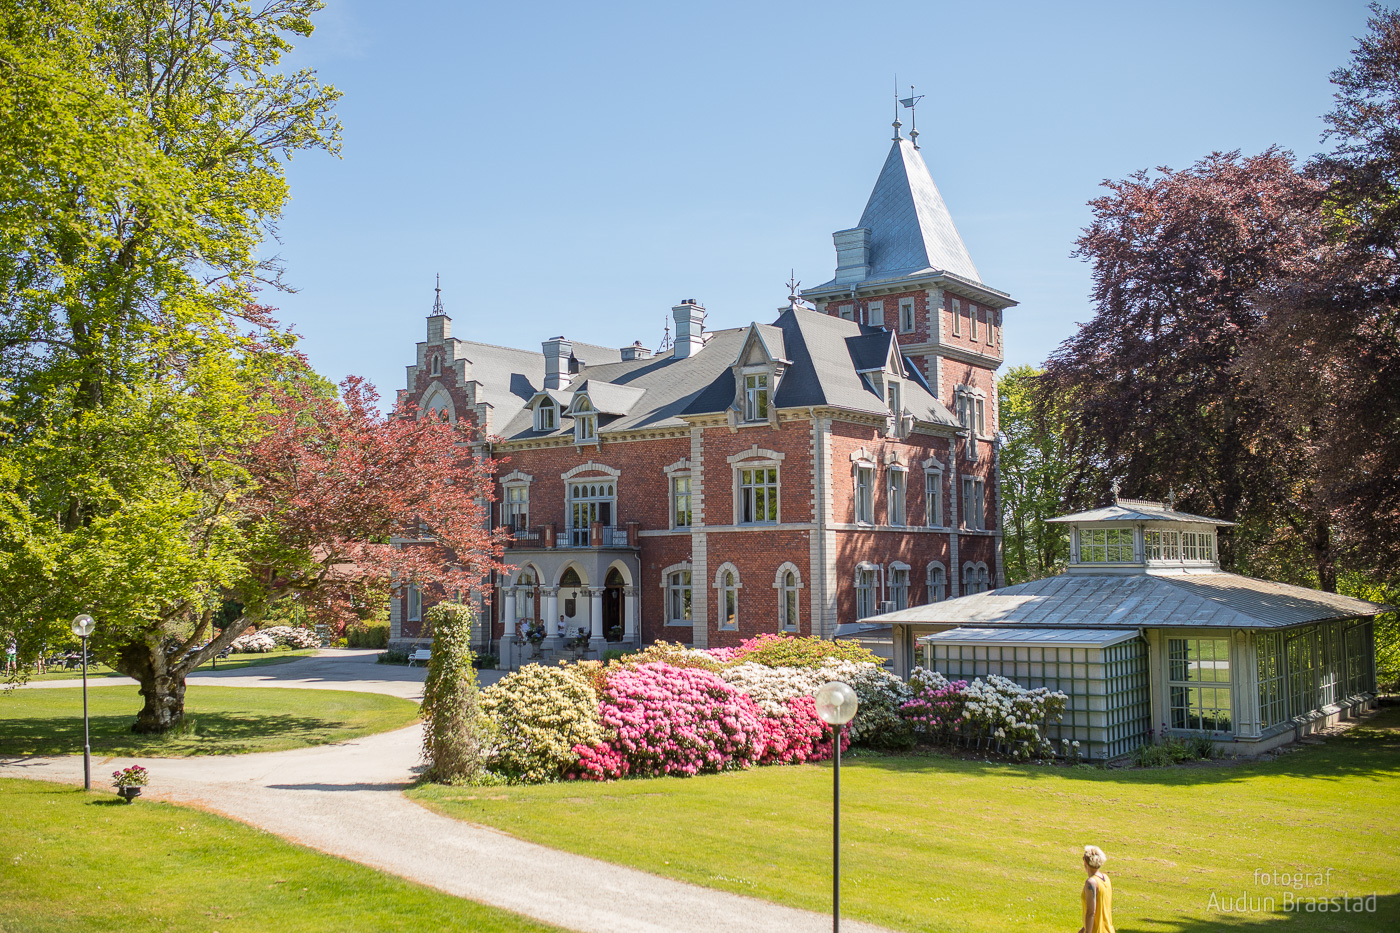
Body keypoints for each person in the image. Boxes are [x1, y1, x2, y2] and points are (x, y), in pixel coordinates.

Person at [1078, 845, 1115, 933]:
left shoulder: (1091, 883)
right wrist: (1083, 929)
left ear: (1085, 862)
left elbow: (1091, 912)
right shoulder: (1106, 878)